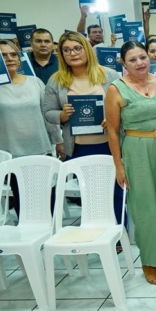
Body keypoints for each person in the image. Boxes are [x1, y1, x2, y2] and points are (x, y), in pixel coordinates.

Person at [106, 41, 156, 284]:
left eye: (143, 57)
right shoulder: (116, 89)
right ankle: (149, 261)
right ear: (123, 63)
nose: (139, 63)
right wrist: (118, 165)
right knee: (145, 206)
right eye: (132, 59)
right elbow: (112, 131)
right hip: (137, 149)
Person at [0, 40, 61, 214]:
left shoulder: (34, 82)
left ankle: (52, 231)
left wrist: (58, 141)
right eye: (2, 55)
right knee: (23, 203)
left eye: (13, 54)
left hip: (40, 149)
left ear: (19, 58)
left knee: (48, 200)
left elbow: (47, 115)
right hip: (11, 153)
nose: (9, 58)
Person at [42, 32, 124, 215]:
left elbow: (124, 105)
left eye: (77, 48)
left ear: (86, 49)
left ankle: (119, 230)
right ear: (61, 54)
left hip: (109, 145)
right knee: (89, 195)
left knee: (115, 192)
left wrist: (113, 119)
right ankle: (93, 229)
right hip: (78, 148)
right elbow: (47, 113)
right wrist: (63, 115)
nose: (72, 53)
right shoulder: (56, 81)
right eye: (66, 50)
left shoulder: (109, 75)